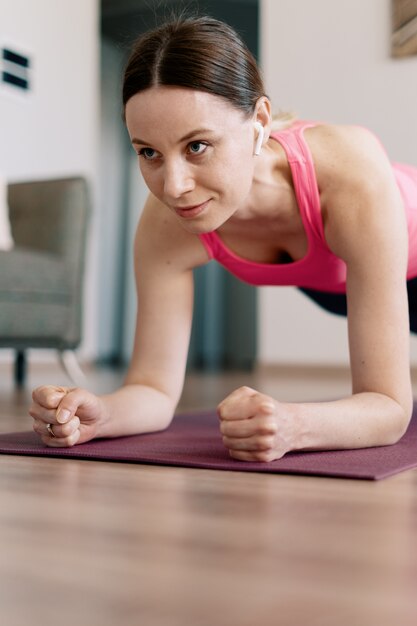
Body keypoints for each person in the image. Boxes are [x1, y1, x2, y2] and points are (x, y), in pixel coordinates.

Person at [29, 15, 417, 462]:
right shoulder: (167, 223)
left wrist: (295, 425)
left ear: (260, 121)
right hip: (338, 281)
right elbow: (153, 388)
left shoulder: (350, 172)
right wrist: (104, 412)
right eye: (149, 152)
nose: (173, 186)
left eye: (197, 146)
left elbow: (389, 409)